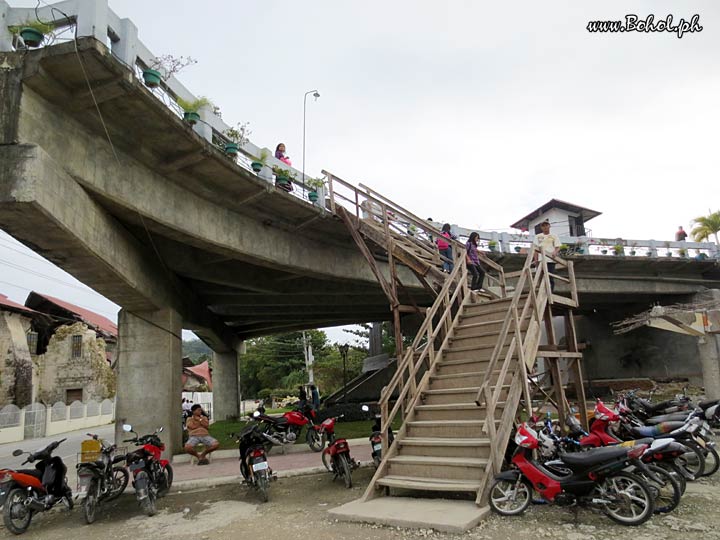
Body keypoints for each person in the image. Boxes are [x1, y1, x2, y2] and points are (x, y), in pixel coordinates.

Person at [533, 220, 561, 292]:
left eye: (546, 225)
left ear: (549, 226)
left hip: (550, 260)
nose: (545, 227)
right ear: (541, 227)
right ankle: (542, 292)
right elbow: (535, 249)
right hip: (540, 260)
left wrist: (555, 252)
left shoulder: (554, 236)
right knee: (541, 277)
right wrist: (535, 260)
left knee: (550, 277)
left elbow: (558, 247)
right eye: (543, 226)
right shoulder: (538, 236)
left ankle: (550, 293)